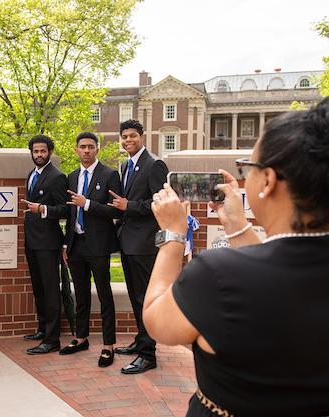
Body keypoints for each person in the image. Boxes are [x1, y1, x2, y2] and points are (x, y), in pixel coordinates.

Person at [144, 98, 329, 417]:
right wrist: (236, 226)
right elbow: (274, 276)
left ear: (268, 180)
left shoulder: (217, 274)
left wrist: (174, 233)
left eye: (248, 166)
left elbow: (157, 323)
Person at [108, 119, 168, 374]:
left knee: (145, 298)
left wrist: (129, 207)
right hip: (127, 241)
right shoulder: (125, 165)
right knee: (134, 296)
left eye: (133, 136)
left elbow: (160, 203)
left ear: (142, 137)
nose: (128, 140)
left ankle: (148, 355)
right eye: (124, 137)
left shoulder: (155, 164)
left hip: (145, 243)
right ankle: (140, 341)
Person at [59, 132, 122, 367]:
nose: (86, 150)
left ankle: (108, 345)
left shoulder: (110, 175)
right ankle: (81, 337)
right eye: (82, 147)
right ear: (76, 151)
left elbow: (116, 211)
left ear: (97, 150)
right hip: (76, 244)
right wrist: (66, 243)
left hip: (99, 245)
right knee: (81, 294)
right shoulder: (72, 176)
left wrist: (87, 203)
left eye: (90, 147)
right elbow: (69, 213)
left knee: (105, 294)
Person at [21, 134, 68, 354]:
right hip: (32, 241)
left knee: (50, 291)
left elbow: (66, 210)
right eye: (35, 151)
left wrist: (42, 209)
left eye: (42, 151)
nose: (39, 155)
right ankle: (42, 329)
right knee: (38, 289)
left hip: (48, 243)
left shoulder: (57, 176)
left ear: (50, 151)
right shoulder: (32, 174)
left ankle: (52, 339)